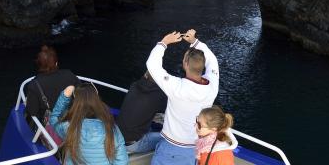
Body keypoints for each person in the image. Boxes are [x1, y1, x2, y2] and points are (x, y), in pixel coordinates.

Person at [146, 29, 220, 165]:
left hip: (171, 146)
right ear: (202, 66)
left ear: (185, 64)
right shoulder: (212, 86)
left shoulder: (176, 87)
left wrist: (164, 42)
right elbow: (213, 60)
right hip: (194, 148)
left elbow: (152, 65)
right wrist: (194, 41)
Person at [50, 84, 128, 164]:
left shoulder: (68, 127)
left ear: (76, 102)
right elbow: (122, 161)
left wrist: (65, 96)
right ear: (96, 99)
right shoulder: (111, 128)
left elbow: (53, 118)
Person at [116, 71, 167, 154]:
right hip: (133, 144)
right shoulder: (159, 96)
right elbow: (168, 109)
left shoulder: (134, 85)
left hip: (118, 135)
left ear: (145, 75)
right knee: (167, 139)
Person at [25, 45, 79, 122]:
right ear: (56, 63)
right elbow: (81, 95)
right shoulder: (69, 74)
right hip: (74, 118)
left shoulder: (34, 84)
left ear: (38, 65)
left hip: (54, 124)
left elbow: (33, 112)